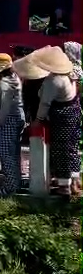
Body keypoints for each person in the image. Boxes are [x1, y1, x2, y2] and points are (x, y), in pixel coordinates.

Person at [27, 46, 81, 197]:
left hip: (62, 116)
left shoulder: (54, 80)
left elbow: (45, 103)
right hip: (73, 111)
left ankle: (64, 186)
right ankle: (75, 181)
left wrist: (38, 120)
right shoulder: (71, 73)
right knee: (72, 147)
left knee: (61, 149)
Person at [0, 53, 25, 196]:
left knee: (6, 154)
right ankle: (16, 183)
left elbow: (3, 108)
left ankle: (9, 188)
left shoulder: (3, 85)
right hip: (18, 117)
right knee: (14, 153)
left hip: (7, 120)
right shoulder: (15, 79)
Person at [63, 41, 82, 194]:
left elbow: (72, 91)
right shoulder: (79, 67)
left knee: (70, 146)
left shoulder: (72, 69)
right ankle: (76, 179)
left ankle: (73, 182)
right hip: (77, 109)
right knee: (73, 145)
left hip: (72, 108)